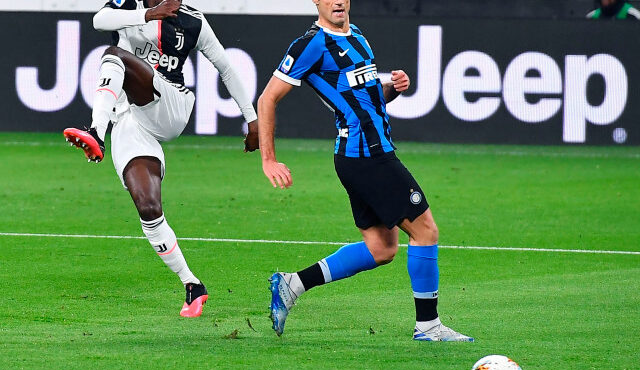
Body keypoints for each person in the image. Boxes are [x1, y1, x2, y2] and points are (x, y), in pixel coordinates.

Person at [257, 0, 473, 341]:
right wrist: (268, 159)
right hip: (368, 157)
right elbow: (267, 99)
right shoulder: (311, 44)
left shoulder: (358, 35)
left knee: (381, 248)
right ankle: (429, 327)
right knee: (426, 230)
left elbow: (371, 101)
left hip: (360, 157)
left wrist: (393, 89)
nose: (338, 1)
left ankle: (293, 284)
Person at [64, 0, 259, 318]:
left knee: (113, 56)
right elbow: (100, 20)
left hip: (171, 104)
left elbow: (225, 67)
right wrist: (147, 14)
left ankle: (96, 133)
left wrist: (251, 120)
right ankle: (193, 285)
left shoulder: (192, 20)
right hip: (130, 118)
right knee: (149, 207)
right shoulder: (129, 5)